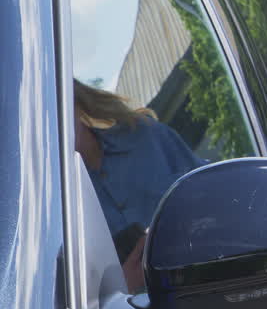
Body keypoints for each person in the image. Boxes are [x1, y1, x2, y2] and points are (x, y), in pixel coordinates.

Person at [73, 80, 205, 291]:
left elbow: (214, 200)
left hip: (207, 287)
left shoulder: (145, 136)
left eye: (52, 106)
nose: (49, 125)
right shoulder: (52, 217)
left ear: (72, 97)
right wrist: (120, 289)